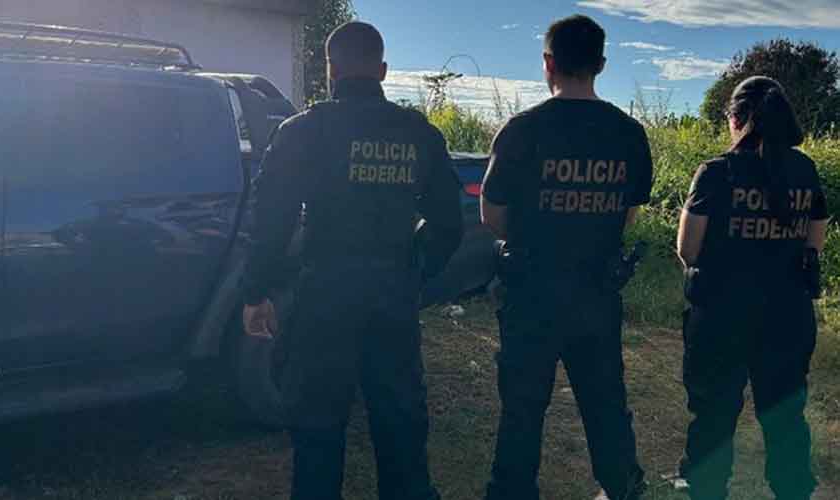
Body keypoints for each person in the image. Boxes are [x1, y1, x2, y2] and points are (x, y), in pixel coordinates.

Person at [241, 21, 463, 500]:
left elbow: (272, 220)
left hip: (324, 296)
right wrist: (415, 272)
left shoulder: (302, 131)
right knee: (400, 423)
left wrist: (256, 291)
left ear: (330, 71)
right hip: (392, 294)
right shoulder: (418, 133)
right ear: (382, 70)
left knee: (318, 426)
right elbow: (450, 224)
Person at [480, 15, 652, 500]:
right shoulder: (628, 134)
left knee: (522, 409)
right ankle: (622, 487)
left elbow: (493, 216)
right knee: (605, 403)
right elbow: (628, 215)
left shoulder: (520, 130)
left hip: (531, 290)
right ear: (601, 64)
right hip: (596, 292)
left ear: (548, 63)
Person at [677, 76, 827, 500]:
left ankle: (707, 489)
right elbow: (813, 244)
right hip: (787, 316)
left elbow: (688, 250)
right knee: (785, 418)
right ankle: (793, 491)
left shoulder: (715, 172)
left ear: (738, 119)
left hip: (720, 318)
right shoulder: (805, 170)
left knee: (713, 415)